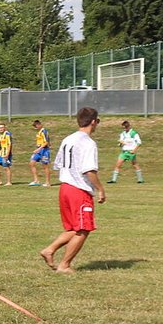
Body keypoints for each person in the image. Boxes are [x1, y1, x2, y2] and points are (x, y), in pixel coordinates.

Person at [39, 107, 105, 274]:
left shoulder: (68, 139)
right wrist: (100, 189)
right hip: (79, 190)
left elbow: (59, 164)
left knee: (74, 229)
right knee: (84, 229)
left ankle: (49, 250)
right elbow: (89, 170)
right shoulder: (88, 143)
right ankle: (64, 265)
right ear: (93, 122)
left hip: (65, 188)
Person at [28, 120, 52, 186]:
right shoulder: (39, 132)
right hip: (38, 150)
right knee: (31, 163)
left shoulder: (44, 131)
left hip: (44, 150)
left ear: (39, 125)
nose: (35, 127)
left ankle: (48, 182)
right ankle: (36, 180)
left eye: (36, 126)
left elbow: (46, 142)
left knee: (45, 166)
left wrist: (39, 149)